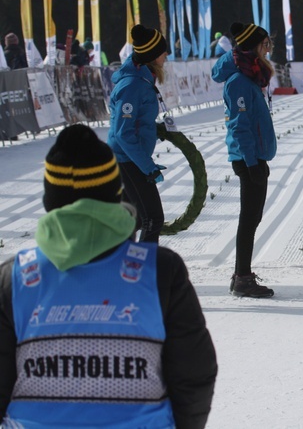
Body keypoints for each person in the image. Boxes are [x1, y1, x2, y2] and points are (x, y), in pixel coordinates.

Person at [0, 124, 217, 428]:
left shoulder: (15, 278)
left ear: (50, 201)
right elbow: (194, 374)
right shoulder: (160, 271)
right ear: (116, 194)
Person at [211, 22, 276, 298]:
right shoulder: (239, 80)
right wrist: (251, 164)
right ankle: (243, 278)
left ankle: (242, 274)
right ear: (253, 47)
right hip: (247, 157)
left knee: (253, 216)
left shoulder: (249, 75)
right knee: (249, 218)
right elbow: (239, 126)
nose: (268, 50)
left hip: (254, 156)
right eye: (265, 45)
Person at [108, 24, 169, 244]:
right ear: (152, 55)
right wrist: (148, 167)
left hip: (130, 156)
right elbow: (123, 133)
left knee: (132, 220)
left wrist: (153, 130)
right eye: (163, 51)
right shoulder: (132, 85)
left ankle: (119, 267)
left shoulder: (142, 77)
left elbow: (136, 122)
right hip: (127, 158)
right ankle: (141, 274)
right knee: (153, 218)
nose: (166, 55)